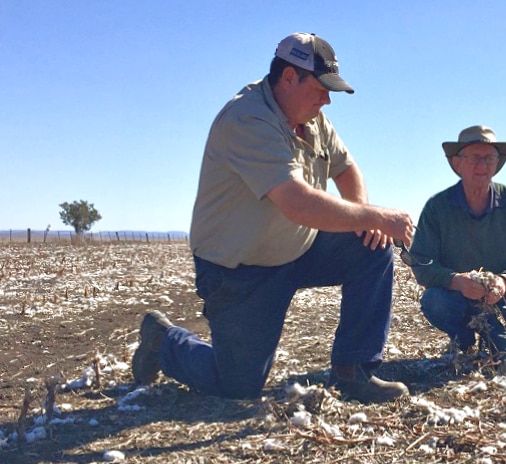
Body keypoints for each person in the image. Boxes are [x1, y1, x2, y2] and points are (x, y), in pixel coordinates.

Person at [131, 32, 414, 403]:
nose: (326, 99)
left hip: (298, 247)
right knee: (237, 386)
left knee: (371, 248)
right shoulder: (247, 118)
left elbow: (346, 168)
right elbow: (298, 202)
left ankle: (353, 371)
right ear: (288, 77)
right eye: (320, 88)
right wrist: (377, 216)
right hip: (240, 268)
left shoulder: (312, 118)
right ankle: (163, 340)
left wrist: (364, 220)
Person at [408, 125, 506, 371]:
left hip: (502, 300)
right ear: (457, 163)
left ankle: (501, 336)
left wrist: (504, 282)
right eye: (473, 158)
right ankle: (464, 337)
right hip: (455, 298)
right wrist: (457, 281)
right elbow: (421, 263)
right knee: (434, 301)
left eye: (489, 158)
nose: (481, 165)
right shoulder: (437, 208)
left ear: (497, 163)